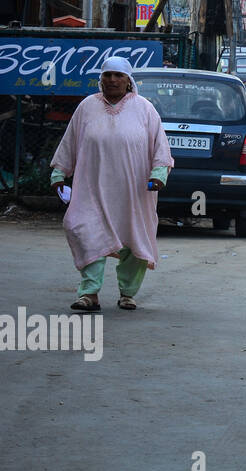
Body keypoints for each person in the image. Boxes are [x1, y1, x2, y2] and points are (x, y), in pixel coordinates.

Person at [50, 56, 173, 312]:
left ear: (129, 81)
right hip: (91, 188)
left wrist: (159, 174)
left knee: (133, 239)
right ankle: (89, 294)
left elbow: (160, 146)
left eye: (119, 76)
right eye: (108, 75)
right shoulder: (87, 107)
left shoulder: (145, 109)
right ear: (101, 79)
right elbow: (70, 142)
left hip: (133, 192)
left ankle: (128, 293)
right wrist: (59, 173)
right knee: (83, 230)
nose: (113, 80)